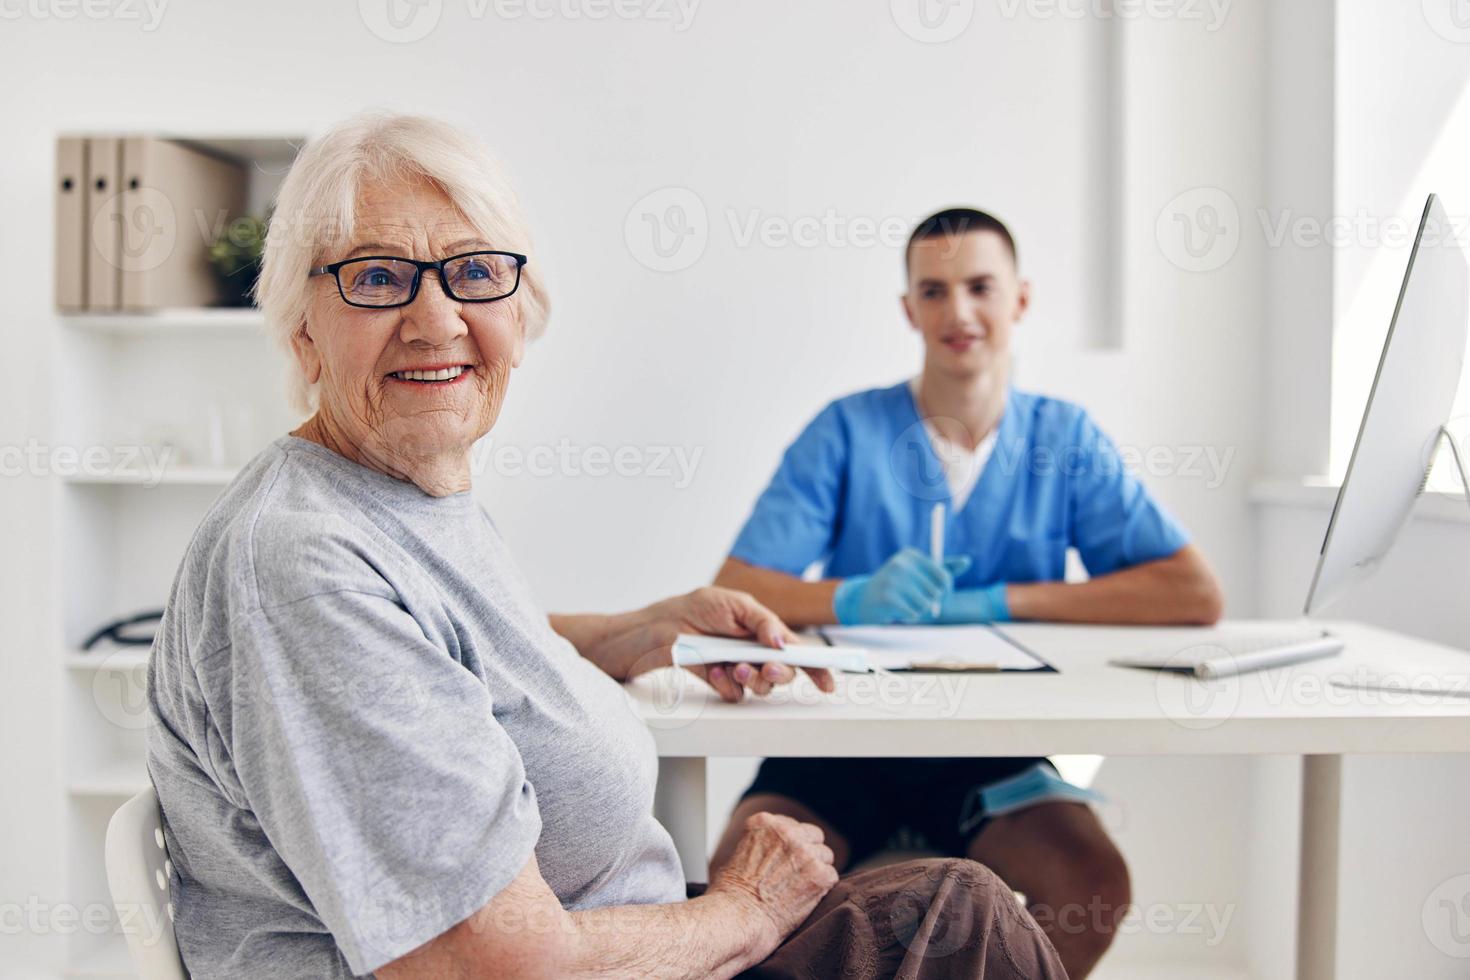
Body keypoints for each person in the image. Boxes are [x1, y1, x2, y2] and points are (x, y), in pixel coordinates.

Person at [144, 116, 1068, 980]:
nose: (435, 320)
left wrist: (628, 632)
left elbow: (430, 661)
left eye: (473, 273)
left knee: (949, 911)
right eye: (378, 278)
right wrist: (746, 909)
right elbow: (481, 966)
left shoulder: (398, 499)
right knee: (960, 918)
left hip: (605, 937)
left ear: (519, 306)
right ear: (302, 328)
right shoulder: (302, 563)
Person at [711, 207, 1225, 978]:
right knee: (737, 881)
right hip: (839, 746)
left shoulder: (1064, 439)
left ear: (1019, 298)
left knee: (1092, 882)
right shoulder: (848, 431)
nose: (959, 312)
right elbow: (736, 587)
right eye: (934, 290)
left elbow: (1190, 591)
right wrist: (852, 599)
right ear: (908, 308)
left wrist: (999, 602)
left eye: (980, 286)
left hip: (991, 759)